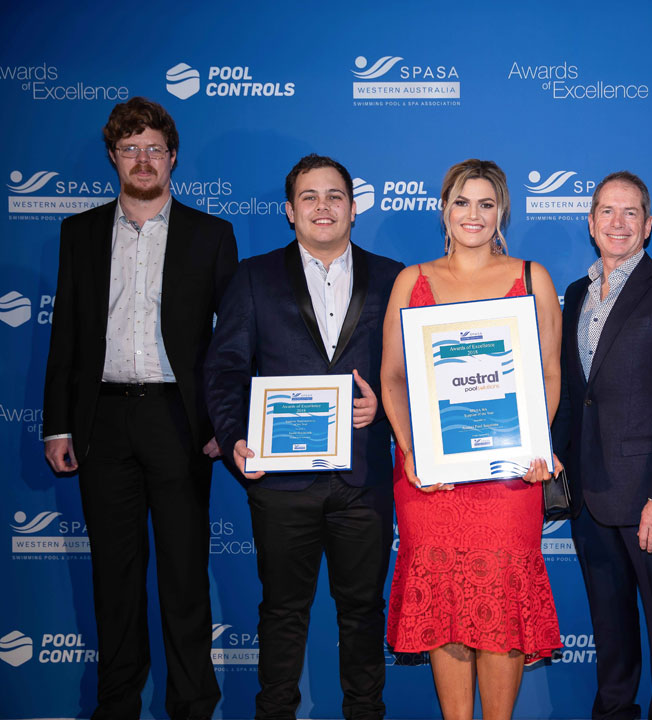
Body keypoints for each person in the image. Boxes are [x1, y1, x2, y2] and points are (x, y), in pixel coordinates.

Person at [42, 97, 235, 720]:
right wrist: (57, 425)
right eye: (131, 149)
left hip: (180, 423)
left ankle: (193, 707)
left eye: (154, 148)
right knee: (114, 578)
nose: (143, 159)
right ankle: (116, 706)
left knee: (185, 577)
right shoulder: (79, 233)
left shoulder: (211, 235)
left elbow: (234, 343)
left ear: (173, 158)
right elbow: (65, 337)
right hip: (102, 422)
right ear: (113, 158)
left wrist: (224, 421)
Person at [203, 154, 403, 719]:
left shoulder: (394, 278)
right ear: (290, 211)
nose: (323, 206)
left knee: (363, 612)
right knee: (283, 613)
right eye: (309, 197)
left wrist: (385, 410)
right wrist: (235, 439)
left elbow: (414, 372)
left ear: (353, 208)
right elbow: (225, 369)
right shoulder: (253, 276)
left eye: (335, 195)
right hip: (280, 483)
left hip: (362, 480)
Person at [380, 159, 562, 720]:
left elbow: (549, 374)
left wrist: (535, 444)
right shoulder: (412, 280)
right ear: (444, 209)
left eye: (486, 203)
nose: (473, 215)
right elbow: (392, 377)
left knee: (500, 598)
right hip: (430, 479)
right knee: (444, 602)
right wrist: (411, 451)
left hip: (508, 479)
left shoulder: (532, 278)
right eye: (462, 202)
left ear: (502, 210)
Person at [556, 171, 652, 720]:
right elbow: (576, 393)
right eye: (607, 211)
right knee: (610, 632)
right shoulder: (576, 293)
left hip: (650, 500)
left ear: (647, 226)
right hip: (589, 496)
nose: (617, 223)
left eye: (630, 213)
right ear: (591, 222)